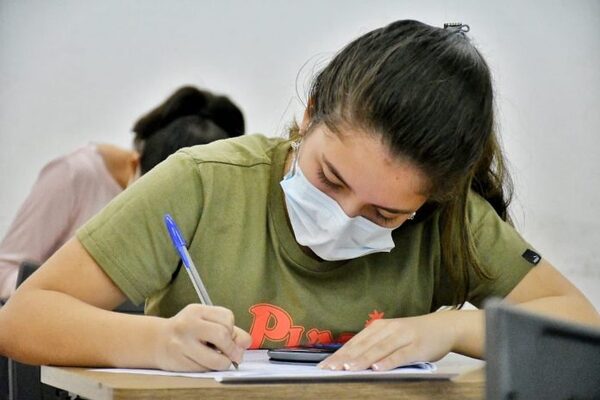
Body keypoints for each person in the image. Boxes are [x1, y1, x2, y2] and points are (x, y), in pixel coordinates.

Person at [0, 20, 598, 373]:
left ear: (434, 199)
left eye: (385, 213)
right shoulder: (205, 181)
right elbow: (24, 317)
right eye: (330, 180)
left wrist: (451, 332)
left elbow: (579, 327)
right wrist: (156, 341)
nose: (342, 218)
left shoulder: (452, 223)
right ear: (308, 116)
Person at [0, 86, 244, 300]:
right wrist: (65, 297)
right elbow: (5, 271)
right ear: (134, 164)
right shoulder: (74, 175)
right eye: (155, 196)